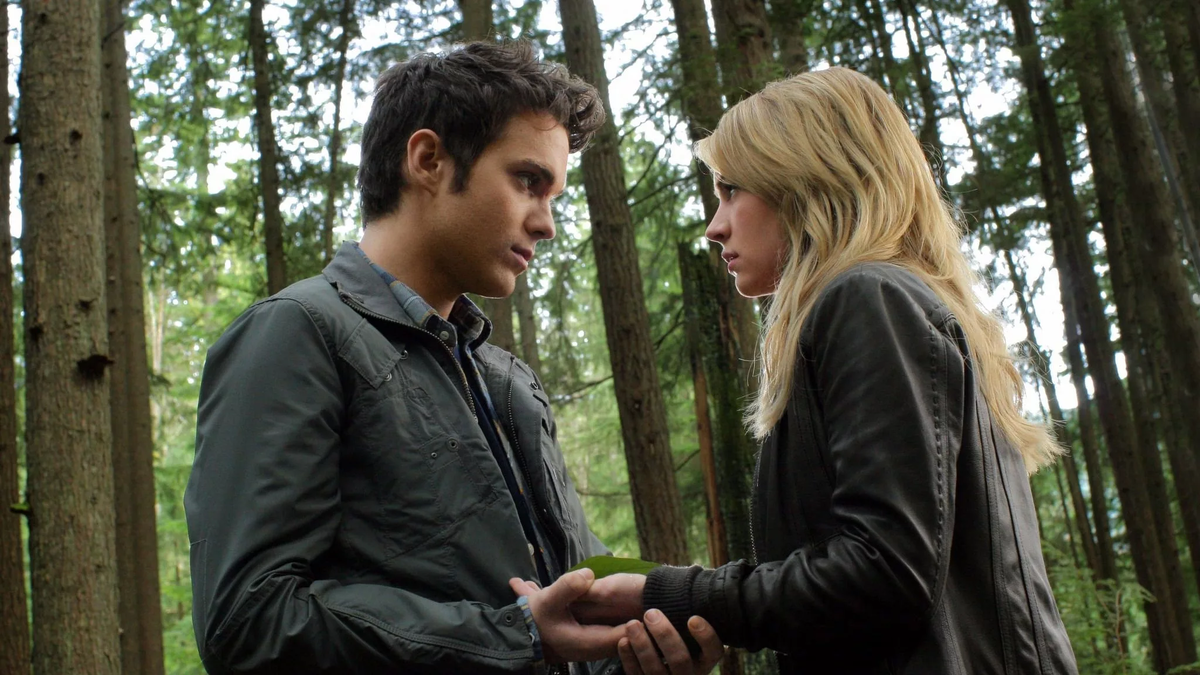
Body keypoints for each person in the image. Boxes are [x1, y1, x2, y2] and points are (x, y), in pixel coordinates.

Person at [184, 41, 722, 675]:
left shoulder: (509, 382)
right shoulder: (296, 332)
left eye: (553, 196)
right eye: (528, 181)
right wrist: (518, 637)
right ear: (428, 160)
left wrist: (639, 648)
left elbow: (563, 612)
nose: (546, 223)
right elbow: (247, 618)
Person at [567, 68, 1079, 674]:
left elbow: (886, 570)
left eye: (731, 191)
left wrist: (677, 595)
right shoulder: (898, 304)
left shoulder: (870, 299)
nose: (715, 226)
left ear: (804, 182)